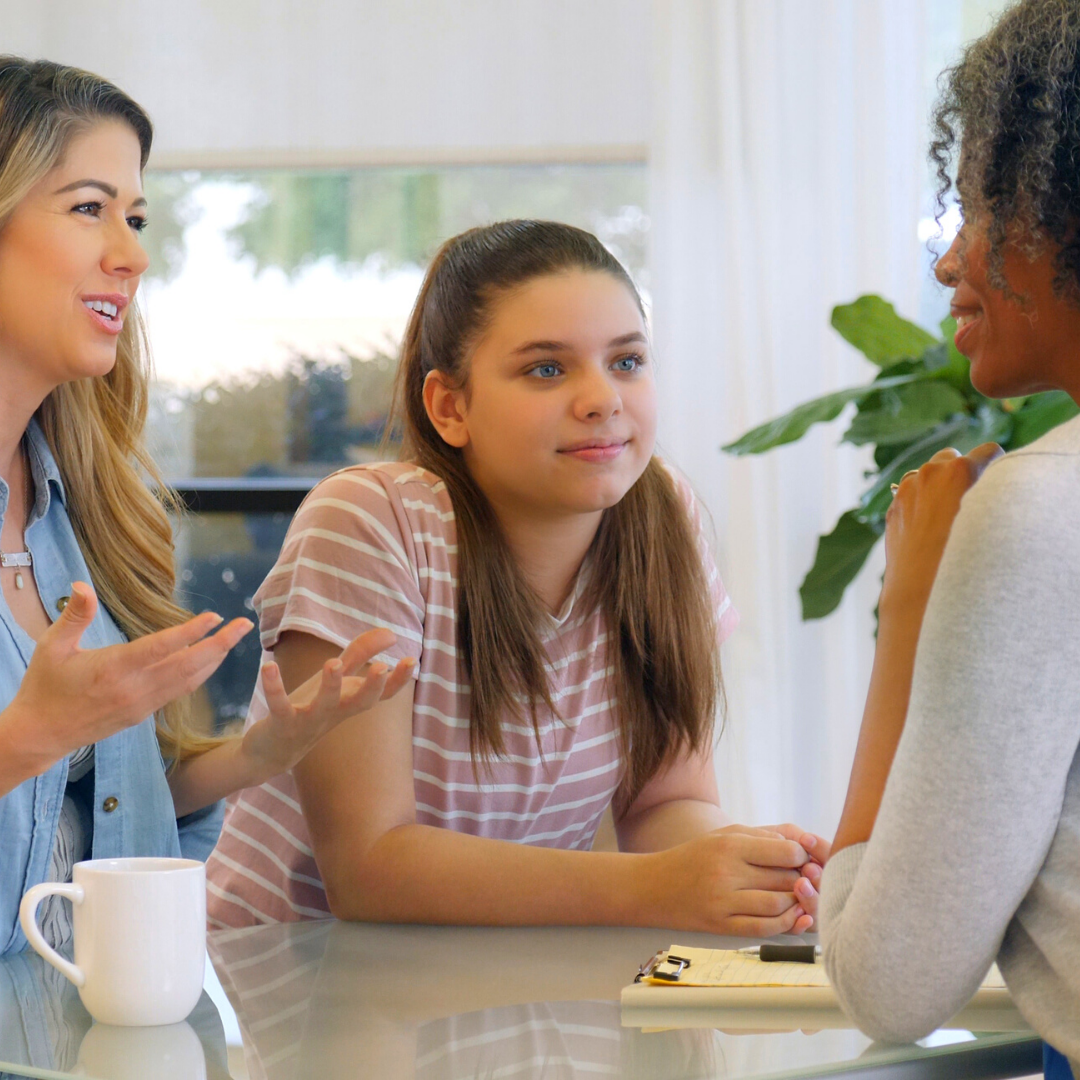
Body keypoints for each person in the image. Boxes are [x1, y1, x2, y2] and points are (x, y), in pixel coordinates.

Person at [207, 219, 828, 932]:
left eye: (627, 362)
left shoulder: (665, 514)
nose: (602, 399)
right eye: (546, 369)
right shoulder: (371, 523)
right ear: (450, 407)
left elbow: (665, 804)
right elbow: (370, 869)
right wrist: (656, 885)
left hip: (507, 983)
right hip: (300, 995)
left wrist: (743, 878)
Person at [0, 57, 412, 958]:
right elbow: (32, 757)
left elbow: (97, 810)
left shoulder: (77, 507)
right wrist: (24, 739)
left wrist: (261, 753)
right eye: (88, 208)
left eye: (136, 216)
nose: (133, 253)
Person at [821, 0, 1080, 1071]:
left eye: (981, 203)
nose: (950, 262)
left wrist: (911, 600)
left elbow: (891, 980)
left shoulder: (1041, 508)